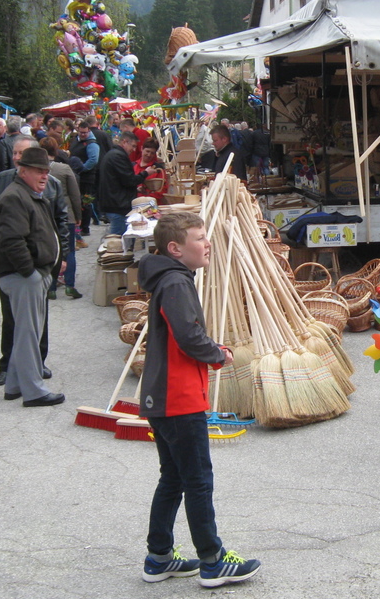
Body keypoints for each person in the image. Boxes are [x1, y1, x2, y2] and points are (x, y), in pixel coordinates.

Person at [138, 212, 261, 587]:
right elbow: (188, 336)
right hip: (179, 399)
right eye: (199, 238)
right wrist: (217, 353)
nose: (207, 244)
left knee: (173, 478)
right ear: (175, 248)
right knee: (197, 481)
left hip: (163, 397)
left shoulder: (170, 278)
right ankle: (212, 560)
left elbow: (184, 333)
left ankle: (159, 557)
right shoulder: (176, 281)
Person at [0, 136, 68, 386]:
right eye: (16, 153)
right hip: (22, 271)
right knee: (20, 325)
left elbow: (58, 222)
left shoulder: (46, 186)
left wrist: (60, 256)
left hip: (39, 268)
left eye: (45, 170)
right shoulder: (9, 187)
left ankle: (26, 372)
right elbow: (6, 232)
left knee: (35, 325)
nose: (17, 157)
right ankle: (21, 378)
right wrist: (29, 271)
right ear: (22, 169)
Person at [40, 137, 83, 299]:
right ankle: (70, 286)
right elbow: (74, 194)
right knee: (69, 250)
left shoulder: (37, 169)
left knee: (51, 250)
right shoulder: (64, 168)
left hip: (45, 215)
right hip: (66, 214)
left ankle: (51, 288)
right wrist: (78, 215)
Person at [97, 130, 145, 236]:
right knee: (117, 240)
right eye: (133, 146)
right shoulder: (118, 156)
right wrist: (145, 174)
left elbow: (118, 180)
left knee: (117, 237)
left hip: (115, 203)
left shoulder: (113, 154)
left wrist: (134, 189)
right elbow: (129, 180)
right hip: (117, 206)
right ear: (124, 142)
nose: (134, 150)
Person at [69, 119, 100, 238]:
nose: (82, 135)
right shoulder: (76, 140)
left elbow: (93, 160)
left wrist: (82, 169)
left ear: (89, 131)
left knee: (86, 202)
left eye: (85, 133)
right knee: (79, 201)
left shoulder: (92, 144)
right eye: (81, 132)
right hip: (77, 176)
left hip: (86, 177)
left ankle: (85, 228)